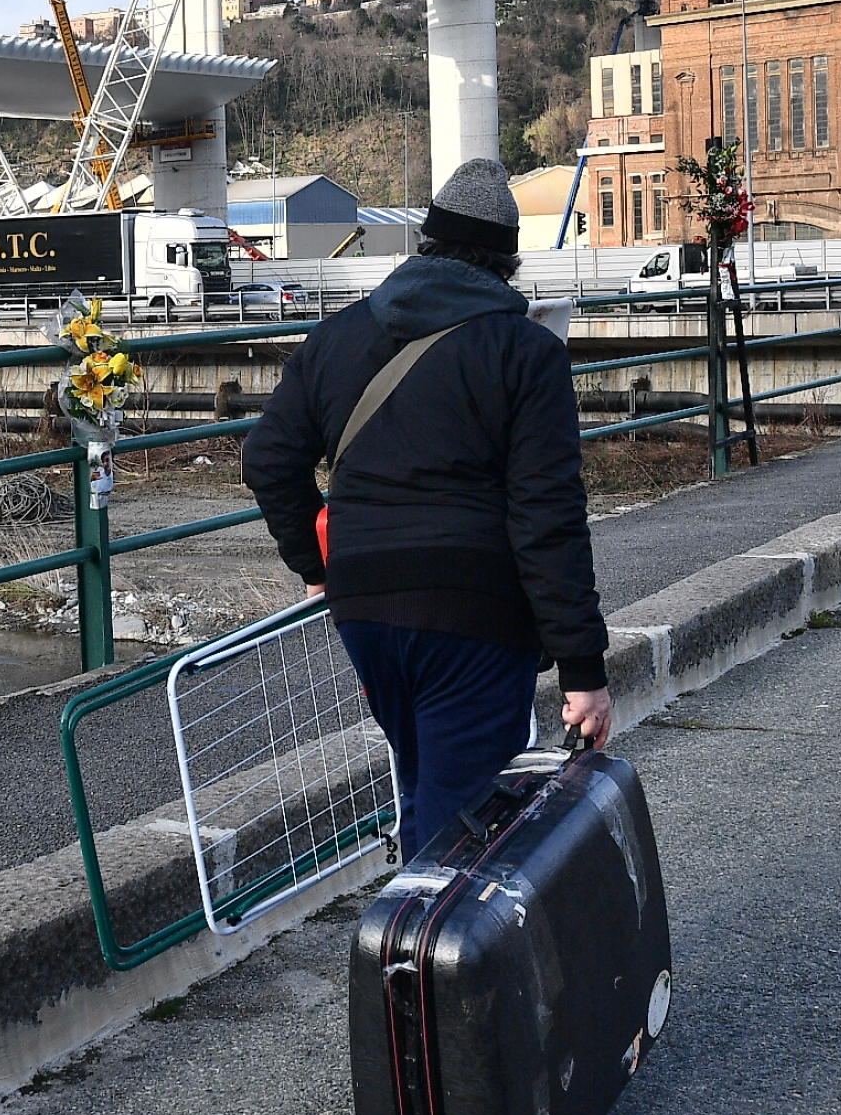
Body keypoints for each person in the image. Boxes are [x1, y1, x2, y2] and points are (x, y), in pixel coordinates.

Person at [243, 158, 613, 855]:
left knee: (425, 792)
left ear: (426, 244)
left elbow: (267, 461)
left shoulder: (337, 337)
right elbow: (547, 516)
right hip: (475, 615)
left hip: (366, 608)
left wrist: (318, 568)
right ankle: (419, 958)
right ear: (506, 261)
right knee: (456, 824)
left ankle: (420, 944)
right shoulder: (525, 352)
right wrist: (583, 672)